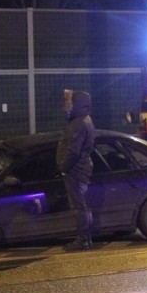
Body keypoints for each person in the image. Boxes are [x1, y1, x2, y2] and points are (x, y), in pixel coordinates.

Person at [55, 89, 96, 251]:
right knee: (82, 206)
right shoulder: (85, 120)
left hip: (76, 170)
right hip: (81, 167)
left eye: (69, 103)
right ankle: (86, 239)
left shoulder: (78, 124)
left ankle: (82, 241)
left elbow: (73, 150)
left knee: (80, 207)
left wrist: (64, 168)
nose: (66, 107)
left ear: (78, 105)